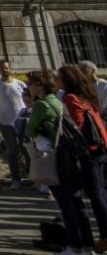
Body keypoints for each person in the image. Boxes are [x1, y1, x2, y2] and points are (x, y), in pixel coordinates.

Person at [59, 64, 107, 254]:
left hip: (89, 151)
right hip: (101, 147)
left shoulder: (70, 97)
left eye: (59, 78)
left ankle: (105, 236)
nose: (57, 81)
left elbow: (77, 126)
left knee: (96, 195)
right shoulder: (87, 94)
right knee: (100, 192)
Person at [0, 60, 27, 188]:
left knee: (27, 149)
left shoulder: (20, 84)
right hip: (5, 123)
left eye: (5, 68)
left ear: (10, 68)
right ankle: (16, 179)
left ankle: (33, 177)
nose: (4, 70)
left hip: (22, 121)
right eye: (1, 68)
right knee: (12, 151)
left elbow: (27, 100)